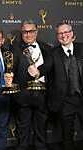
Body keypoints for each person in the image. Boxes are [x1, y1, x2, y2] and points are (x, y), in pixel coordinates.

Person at [38, 22, 83, 150]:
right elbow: (45, 67)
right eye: (60, 33)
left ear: (72, 34)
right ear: (57, 36)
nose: (64, 36)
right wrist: (37, 71)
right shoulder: (53, 53)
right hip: (65, 102)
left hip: (81, 98)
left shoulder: (81, 48)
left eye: (66, 32)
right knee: (67, 137)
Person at [13, 20, 52, 150]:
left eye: (31, 31)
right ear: (21, 32)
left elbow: (50, 66)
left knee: (41, 128)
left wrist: (39, 71)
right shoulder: (15, 48)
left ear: (36, 32)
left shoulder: (46, 47)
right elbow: (11, 69)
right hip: (23, 95)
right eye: (25, 31)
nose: (28, 34)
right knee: (23, 130)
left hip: (42, 95)